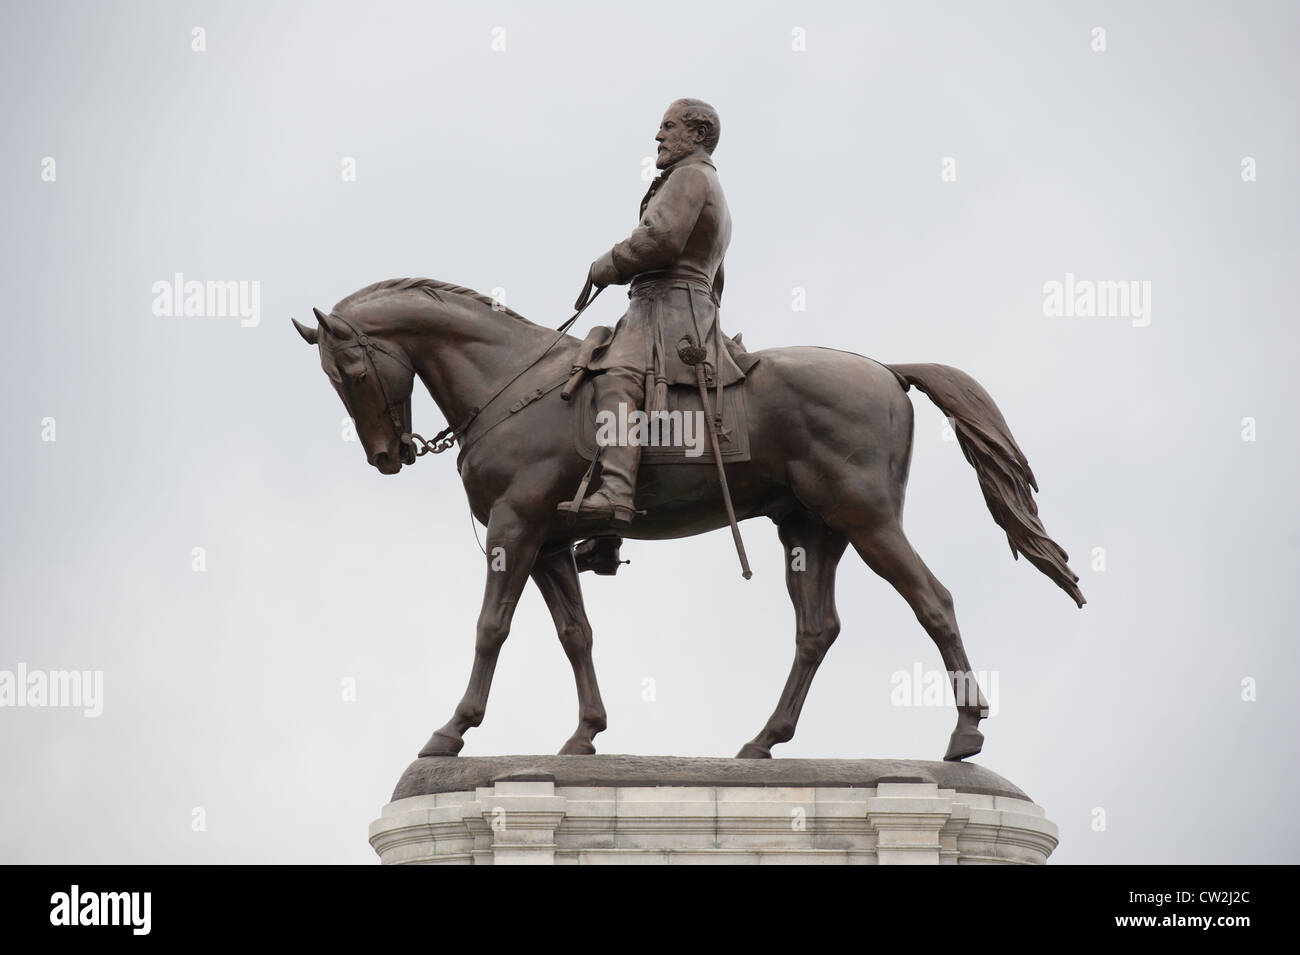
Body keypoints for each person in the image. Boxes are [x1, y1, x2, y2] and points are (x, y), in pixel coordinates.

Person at [559, 97, 745, 527]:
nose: (658, 136)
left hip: (669, 311)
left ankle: (616, 495)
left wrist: (606, 263)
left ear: (697, 135)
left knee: (617, 378)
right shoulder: (696, 181)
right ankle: (603, 540)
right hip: (674, 306)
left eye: (668, 126)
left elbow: (659, 240)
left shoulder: (689, 178)